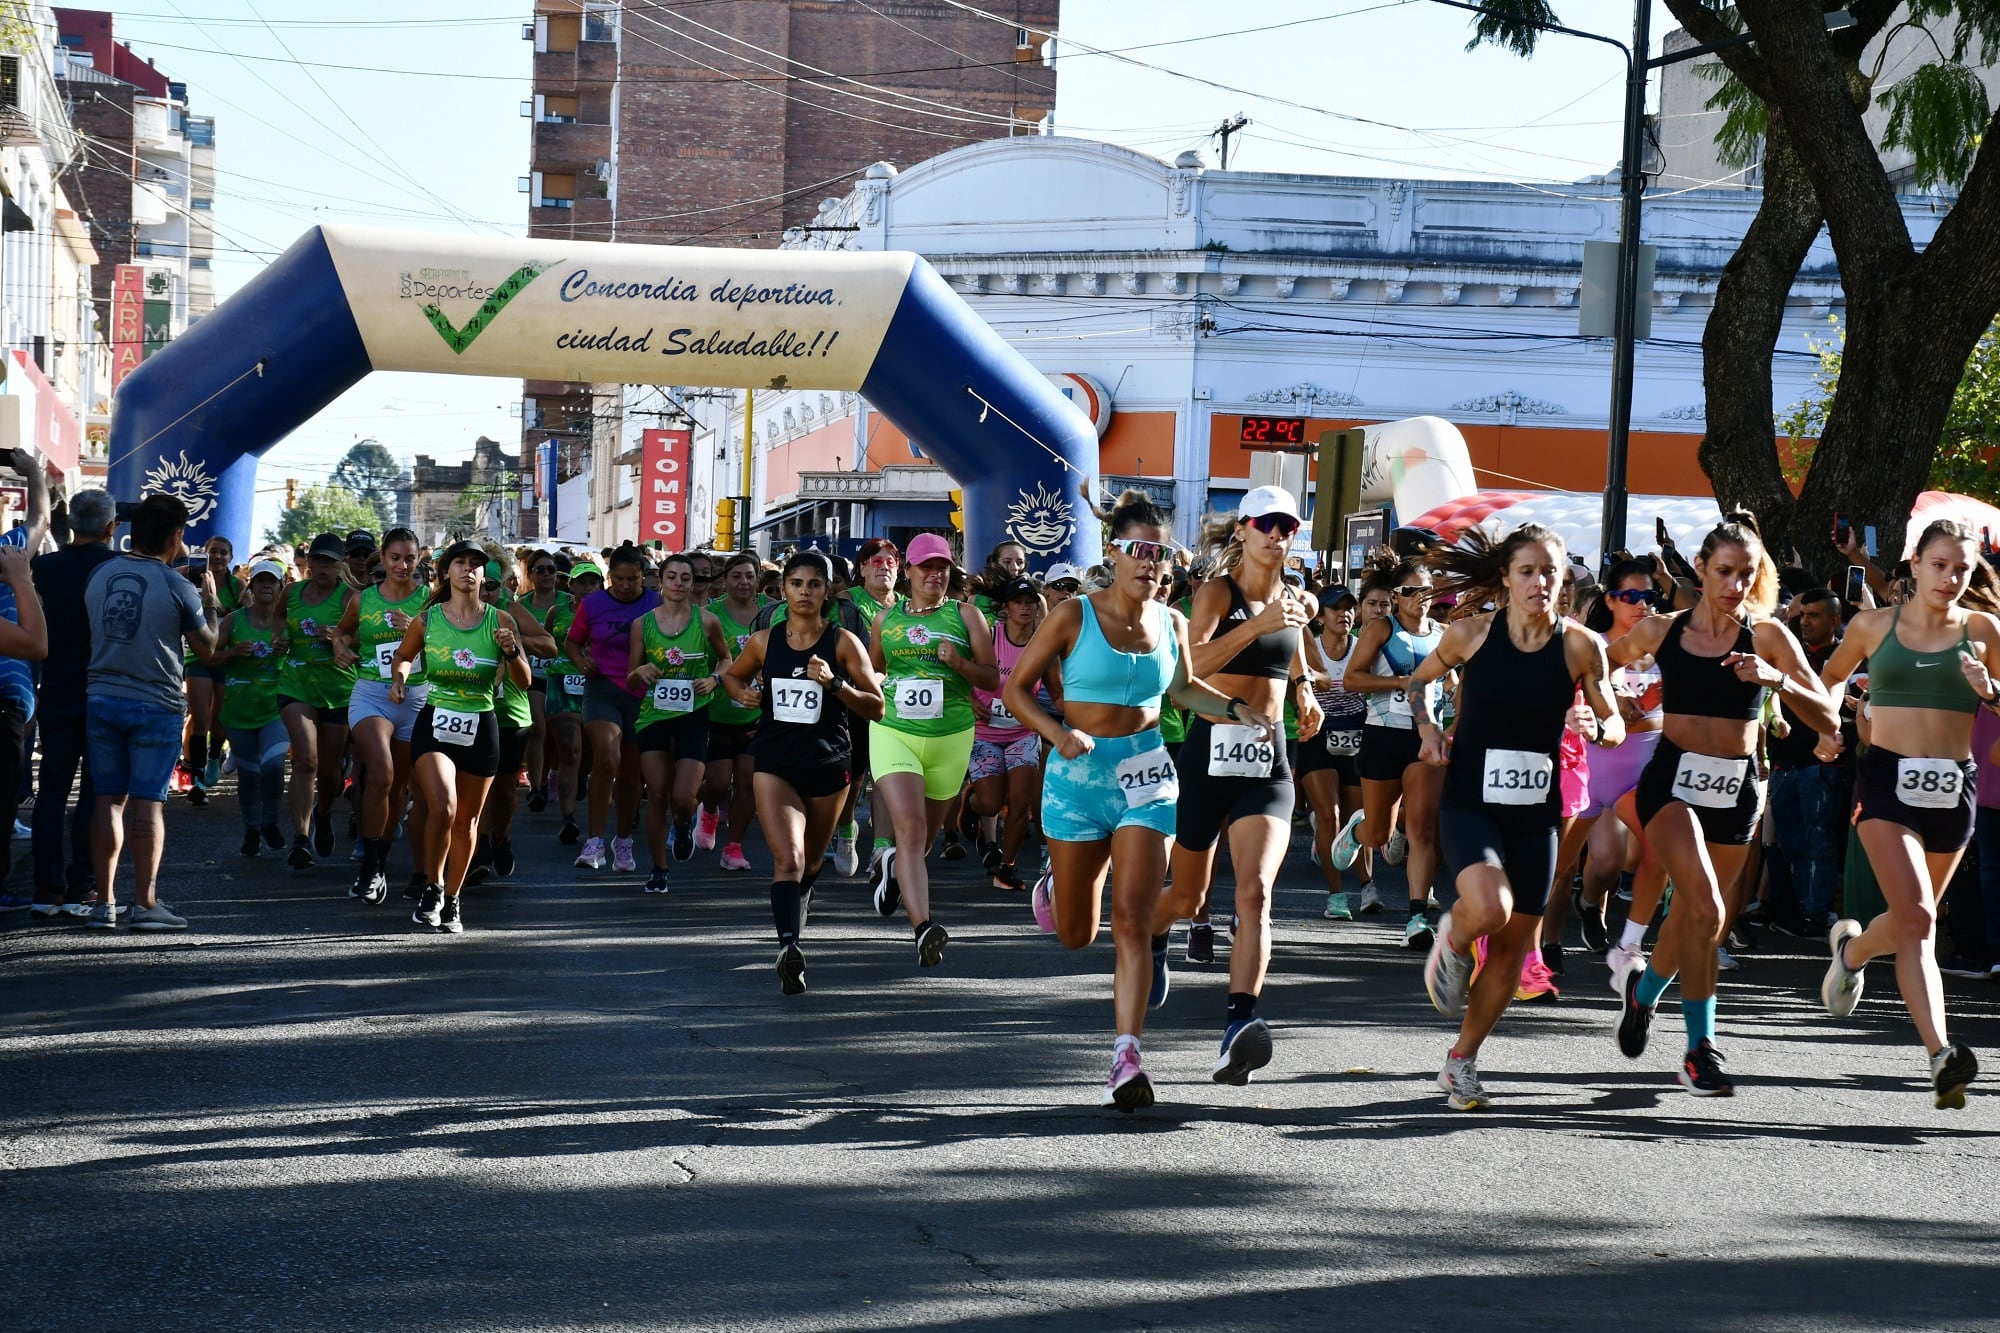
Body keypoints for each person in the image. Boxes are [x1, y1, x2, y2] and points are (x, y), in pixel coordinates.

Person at [1007, 490, 1275, 1110]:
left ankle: (1126, 1056)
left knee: (1132, 916)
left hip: (1147, 774)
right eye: (1139, 551)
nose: (1150, 564)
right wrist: (1056, 733)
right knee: (1077, 933)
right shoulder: (1073, 615)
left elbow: (1183, 690)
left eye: (1161, 554)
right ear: (1114, 552)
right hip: (1077, 778)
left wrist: (1236, 709)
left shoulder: (1173, 623)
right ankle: (1055, 881)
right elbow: (1016, 688)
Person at [1605, 514, 1837, 1096]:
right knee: (1706, 909)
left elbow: (1828, 718)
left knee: (1693, 919)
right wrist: (1599, 707)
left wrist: (1775, 682)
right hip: (1672, 785)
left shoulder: (1768, 637)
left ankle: (1644, 993)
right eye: (1725, 571)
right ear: (1701, 570)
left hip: (1737, 792)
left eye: (1746, 574)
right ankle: (1699, 1050)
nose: (1735, 584)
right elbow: (1595, 664)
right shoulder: (1662, 631)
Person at [1407, 525, 1626, 1110]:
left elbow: (1614, 720)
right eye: (1527, 571)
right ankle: (1451, 940)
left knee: (1509, 954)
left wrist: (1598, 728)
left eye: (1550, 571)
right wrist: (1429, 726)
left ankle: (1462, 1062)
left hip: (1537, 814)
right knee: (1490, 907)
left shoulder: (1581, 646)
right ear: (1505, 577)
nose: (1540, 582)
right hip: (1470, 803)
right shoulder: (1471, 634)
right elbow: (1419, 682)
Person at [1813, 520, 1995, 1109]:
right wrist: (1828, 727)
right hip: (1886, 782)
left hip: (1954, 788)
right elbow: (1833, 677)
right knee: (1919, 917)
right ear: (1914, 564)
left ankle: (1853, 952)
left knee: (1911, 919)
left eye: (1962, 569)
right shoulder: (1872, 625)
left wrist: (1989, 690)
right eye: (1940, 564)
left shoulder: (1985, 629)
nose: (1951, 578)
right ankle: (1941, 1054)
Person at [1151, 485, 1321, 1085]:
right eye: (1267, 524)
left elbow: (1294, 652)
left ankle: (1237, 1027)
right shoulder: (1216, 592)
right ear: (1243, 531)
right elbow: (1188, 669)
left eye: (1289, 527)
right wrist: (1259, 625)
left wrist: (1303, 689)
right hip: (1209, 754)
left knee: (1254, 894)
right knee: (1187, 900)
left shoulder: (1296, 599)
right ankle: (1154, 936)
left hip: (1268, 758)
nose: (1278, 536)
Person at [721, 550, 884, 992]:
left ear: (828, 590)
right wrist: (744, 695)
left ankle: (801, 898)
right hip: (774, 761)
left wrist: (835, 684)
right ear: (783, 589)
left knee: (811, 861)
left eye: (815, 584)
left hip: (829, 762)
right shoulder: (764, 642)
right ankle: (789, 948)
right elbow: (732, 678)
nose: (806, 592)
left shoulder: (843, 642)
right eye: (797, 584)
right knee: (787, 858)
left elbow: (877, 706)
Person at [867, 531, 999, 968]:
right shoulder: (885, 621)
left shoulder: (967, 617)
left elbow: (991, 678)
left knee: (922, 840)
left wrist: (958, 664)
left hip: (951, 736)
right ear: (908, 571)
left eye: (942, 567)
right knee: (909, 829)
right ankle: (924, 928)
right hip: (895, 731)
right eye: (926, 566)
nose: (935, 574)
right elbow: (876, 673)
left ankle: (892, 870)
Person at [83, 494, 213, 931]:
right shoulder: (179, 587)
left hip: (100, 696)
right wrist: (209, 602)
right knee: (148, 805)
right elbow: (207, 649)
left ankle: (103, 902)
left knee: (107, 800)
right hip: (156, 704)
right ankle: (144, 903)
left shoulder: (101, 574)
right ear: (176, 536)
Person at [391, 540, 531, 933]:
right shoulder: (428, 620)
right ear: (446, 572)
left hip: (481, 725)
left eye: (475, 565)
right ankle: (432, 886)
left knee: (468, 821)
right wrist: (399, 680)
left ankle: (451, 900)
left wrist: (512, 651)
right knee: (444, 805)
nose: (468, 570)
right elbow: (403, 656)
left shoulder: (501, 621)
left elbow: (524, 681)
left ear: (484, 575)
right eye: (459, 563)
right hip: (436, 719)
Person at [1332, 555, 1447, 949]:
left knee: (1420, 829)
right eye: (1410, 591)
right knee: (1378, 833)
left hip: (1425, 738)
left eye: (1426, 591)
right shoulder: (1382, 629)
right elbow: (1351, 679)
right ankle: (1358, 829)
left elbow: (1455, 683)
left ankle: (1416, 917)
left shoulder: (1443, 635)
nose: (1420, 599)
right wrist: (1404, 681)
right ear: (1397, 597)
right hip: (1382, 734)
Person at [28, 488, 112, 918]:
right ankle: (81, 887)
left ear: (73, 525)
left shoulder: (44, 567)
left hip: (56, 689)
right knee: (95, 794)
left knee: (52, 792)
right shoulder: (117, 569)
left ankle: (46, 888)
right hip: (102, 692)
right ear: (111, 528)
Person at [334, 528, 428, 903]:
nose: (402, 565)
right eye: (395, 558)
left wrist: (420, 634)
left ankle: (381, 859)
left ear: (419, 560)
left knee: (400, 788)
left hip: (416, 696)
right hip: (372, 693)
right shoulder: (363, 600)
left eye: (410, 558)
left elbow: (446, 650)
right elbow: (341, 634)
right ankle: (369, 866)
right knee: (382, 774)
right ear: (383, 559)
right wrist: (340, 649)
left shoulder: (431, 603)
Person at [628, 552, 730, 893]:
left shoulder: (707, 622)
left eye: (685, 578)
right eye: (672, 577)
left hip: (694, 713)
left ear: (693, 583)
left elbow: (727, 659)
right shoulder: (642, 625)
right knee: (657, 793)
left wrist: (715, 679)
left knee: (683, 796)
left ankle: (684, 821)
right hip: (654, 714)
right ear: (660, 578)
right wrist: (640, 671)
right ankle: (659, 868)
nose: (678, 584)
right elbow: (630, 678)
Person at [568, 545, 660, 873]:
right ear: (609, 577)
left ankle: (623, 840)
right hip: (603, 687)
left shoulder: (656, 604)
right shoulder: (593, 604)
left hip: (643, 693)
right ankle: (594, 840)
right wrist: (582, 662)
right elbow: (572, 642)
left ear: (644, 577)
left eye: (632, 579)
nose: (625, 585)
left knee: (631, 772)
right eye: (618, 578)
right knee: (607, 757)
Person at [1764, 587, 1849, 937]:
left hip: (1821, 769)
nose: (1805, 622)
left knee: (1819, 843)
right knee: (1787, 843)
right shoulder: (1784, 654)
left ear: (1835, 620)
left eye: (1814, 615)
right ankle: (1791, 911)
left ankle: (1816, 911)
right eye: (1802, 615)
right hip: (1783, 766)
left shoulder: (1845, 657)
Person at [277, 532, 359, 869]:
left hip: (338, 689)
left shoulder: (350, 598)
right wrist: (278, 636)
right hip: (296, 684)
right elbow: (280, 617)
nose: (322, 566)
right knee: (305, 761)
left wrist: (340, 636)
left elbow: (362, 636)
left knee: (328, 772)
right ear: (308, 562)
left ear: (339, 565)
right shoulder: (292, 592)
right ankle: (300, 838)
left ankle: (323, 813)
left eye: (329, 561)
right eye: (318, 560)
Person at [969, 575, 1051, 891]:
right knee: (990, 804)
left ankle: (1007, 868)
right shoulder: (989, 638)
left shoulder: (1044, 646)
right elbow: (956, 671)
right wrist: (969, 700)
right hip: (985, 731)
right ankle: (970, 800)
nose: (1025, 608)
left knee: (1021, 804)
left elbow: (1057, 693)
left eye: (1031, 602)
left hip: (1023, 732)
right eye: (1018, 602)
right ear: (1006, 608)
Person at [1300, 588, 1369, 920]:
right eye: (1335, 609)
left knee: (1357, 823)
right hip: (1317, 736)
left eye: (1349, 609)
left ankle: (1366, 885)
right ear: (1321, 616)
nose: (1344, 614)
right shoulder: (1307, 647)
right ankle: (1336, 896)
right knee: (1330, 816)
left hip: (1357, 737)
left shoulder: (1362, 648)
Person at [216, 560, 292, 859]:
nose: (265, 587)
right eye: (259, 581)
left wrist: (289, 647)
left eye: (270, 582)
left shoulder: (288, 624)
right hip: (239, 710)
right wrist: (234, 651)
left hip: (275, 707)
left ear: (279, 587)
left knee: (273, 766)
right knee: (248, 776)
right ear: (252, 585)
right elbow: (209, 656)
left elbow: (311, 653)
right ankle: (251, 830)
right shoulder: (234, 621)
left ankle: (270, 821)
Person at [696, 551, 767, 870]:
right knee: (717, 783)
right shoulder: (710, 615)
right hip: (716, 713)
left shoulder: (771, 613)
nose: (743, 582)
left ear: (758, 581)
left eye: (749, 576)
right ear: (724, 581)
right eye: (736, 576)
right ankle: (708, 809)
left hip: (757, 713)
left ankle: (734, 846)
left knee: (748, 781)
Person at [179, 535, 241, 800]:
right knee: (200, 718)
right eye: (213, 551)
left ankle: (215, 756)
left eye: (223, 553)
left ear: (230, 557)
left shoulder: (237, 585)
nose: (217, 557)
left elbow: (244, 617)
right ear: (204, 554)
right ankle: (198, 779)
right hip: (198, 657)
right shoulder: (191, 578)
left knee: (219, 721)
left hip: (227, 657)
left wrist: (219, 605)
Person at [543, 559, 598, 844]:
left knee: (588, 752)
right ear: (572, 585)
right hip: (562, 682)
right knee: (570, 750)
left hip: (596, 685)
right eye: (582, 582)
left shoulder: (608, 612)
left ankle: (581, 780)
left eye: (593, 582)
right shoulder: (557, 612)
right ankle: (568, 819)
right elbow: (549, 640)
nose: (587, 588)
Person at [519, 550, 571, 812]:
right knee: (538, 728)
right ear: (530, 574)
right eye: (541, 569)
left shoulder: (569, 603)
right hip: (534, 678)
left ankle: (557, 775)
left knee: (557, 734)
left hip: (563, 678)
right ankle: (535, 786)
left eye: (552, 570)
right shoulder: (521, 605)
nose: (547, 574)